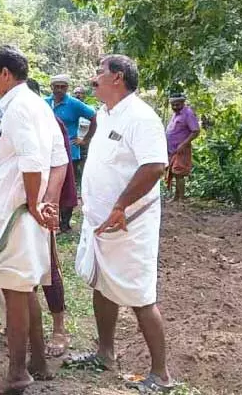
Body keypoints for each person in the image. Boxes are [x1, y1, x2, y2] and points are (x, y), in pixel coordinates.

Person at [0, 46, 69, 394]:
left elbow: (33, 161)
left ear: (5, 73)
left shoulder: (19, 107)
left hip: (16, 212)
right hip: (27, 209)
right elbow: (60, 160)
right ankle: (37, 362)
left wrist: (36, 203)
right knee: (25, 286)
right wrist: (47, 201)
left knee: (14, 288)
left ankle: (17, 372)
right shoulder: (39, 105)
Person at [69, 55, 174, 393]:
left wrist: (120, 205)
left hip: (130, 223)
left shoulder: (141, 117)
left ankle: (161, 375)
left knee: (140, 295)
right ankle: (105, 354)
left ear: (117, 77)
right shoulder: (104, 114)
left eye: (99, 72)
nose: (94, 77)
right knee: (102, 285)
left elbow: (155, 166)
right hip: (101, 222)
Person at [26, 78, 77, 357]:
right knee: (22, 268)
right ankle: (25, 327)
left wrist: (50, 204)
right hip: (18, 205)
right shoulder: (15, 120)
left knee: (48, 267)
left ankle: (59, 329)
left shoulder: (51, 123)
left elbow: (61, 165)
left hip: (42, 206)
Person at [45, 74, 97, 232]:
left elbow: (94, 117)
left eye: (63, 87)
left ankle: (65, 223)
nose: (59, 90)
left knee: (67, 186)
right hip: (48, 151)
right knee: (49, 185)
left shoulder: (74, 104)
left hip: (69, 152)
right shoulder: (44, 103)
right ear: (52, 87)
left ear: (67, 88)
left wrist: (85, 139)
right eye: (57, 87)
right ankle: (50, 218)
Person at [165, 93, 200, 201]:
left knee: (179, 173)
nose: (175, 107)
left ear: (183, 103)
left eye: (177, 104)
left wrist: (183, 144)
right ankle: (176, 197)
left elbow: (196, 131)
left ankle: (182, 198)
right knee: (174, 173)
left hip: (182, 149)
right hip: (172, 150)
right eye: (173, 105)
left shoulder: (188, 113)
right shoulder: (175, 114)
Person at [73, 86, 91, 184]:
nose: (78, 95)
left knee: (85, 169)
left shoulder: (89, 110)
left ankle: (84, 187)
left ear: (84, 95)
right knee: (73, 170)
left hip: (85, 144)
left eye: (80, 93)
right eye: (76, 93)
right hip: (73, 143)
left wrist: (85, 140)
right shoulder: (70, 109)